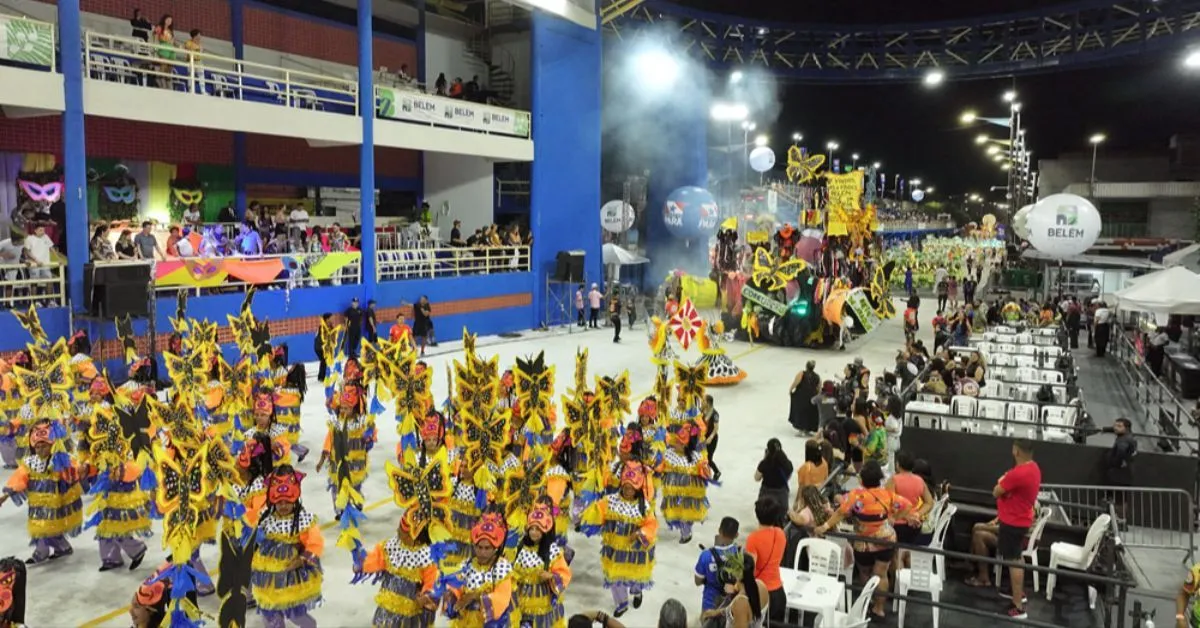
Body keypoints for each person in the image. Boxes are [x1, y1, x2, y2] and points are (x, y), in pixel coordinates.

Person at [815, 460, 915, 621]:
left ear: (862, 479)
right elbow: (908, 506)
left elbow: (840, 513)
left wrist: (825, 525)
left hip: (863, 543)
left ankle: (867, 603)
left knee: (865, 573)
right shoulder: (887, 495)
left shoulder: (856, 496)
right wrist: (894, 517)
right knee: (881, 575)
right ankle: (880, 608)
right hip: (886, 539)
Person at [0, 420, 83, 564]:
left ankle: (50, 550)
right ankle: (51, 549)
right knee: (41, 528)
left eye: (43, 445)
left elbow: (73, 471)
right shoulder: (31, 463)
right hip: (37, 505)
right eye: (37, 447)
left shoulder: (60, 461)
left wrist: (79, 472)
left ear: (51, 445)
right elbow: (19, 478)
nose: (39, 449)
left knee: (50, 528)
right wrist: (6, 495)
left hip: (55, 503)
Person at [993, 438, 1042, 619]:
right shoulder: (1034, 468)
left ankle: (1018, 607)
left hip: (1013, 522)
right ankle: (1018, 593)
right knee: (1017, 557)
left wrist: (1004, 481)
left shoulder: (1018, 473)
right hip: (1019, 520)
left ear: (1016, 451)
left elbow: (996, 490)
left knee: (1014, 560)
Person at [510, 503, 572, 627]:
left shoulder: (552, 551)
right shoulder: (520, 547)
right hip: (521, 598)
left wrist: (551, 576)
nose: (534, 532)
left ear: (545, 531)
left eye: (538, 529)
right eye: (531, 529)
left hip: (543, 601)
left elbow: (564, 574)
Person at [744, 498, 786, 623]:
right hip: (778, 592)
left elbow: (749, 569)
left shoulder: (753, 539)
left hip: (760, 593)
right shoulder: (780, 534)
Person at [694, 517, 740, 614]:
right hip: (732, 605)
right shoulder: (740, 554)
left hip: (710, 605)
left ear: (719, 530)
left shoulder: (706, 555)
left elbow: (697, 581)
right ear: (736, 535)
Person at [1103, 418, 1137, 520]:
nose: (1116, 428)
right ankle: (1118, 520)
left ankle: (1120, 520)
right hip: (1122, 474)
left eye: (1119, 426)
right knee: (1120, 498)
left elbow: (1121, 452)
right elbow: (1115, 429)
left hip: (1120, 475)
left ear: (1126, 428)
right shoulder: (1128, 437)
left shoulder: (1124, 440)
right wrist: (1105, 429)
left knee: (1119, 499)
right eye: (1115, 426)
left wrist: (1115, 464)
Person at [754, 438, 792, 509]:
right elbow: (788, 477)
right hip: (782, 494)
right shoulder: (788, 464)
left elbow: (757, 478)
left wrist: (764, 459)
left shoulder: (764, 464)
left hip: (766, 493)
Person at [788, 360, 821, 433]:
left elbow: (796, 382)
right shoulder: (817, 376)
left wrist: (791, 389)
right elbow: (819, 388)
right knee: (809, 412)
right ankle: (807, 429)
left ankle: (801, 428)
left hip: (801, 395)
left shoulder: (802, 373)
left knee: (801, 411)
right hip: (811, 396)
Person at [701, 394, 721, 482]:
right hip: (703, 437)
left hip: (712, 439)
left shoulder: (715, 414)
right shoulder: (703, 411)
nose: (702, 402)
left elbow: (716, 428)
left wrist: (710, 437)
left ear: (708, 403)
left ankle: (717, 472)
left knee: (709, 458)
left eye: (703, 401)